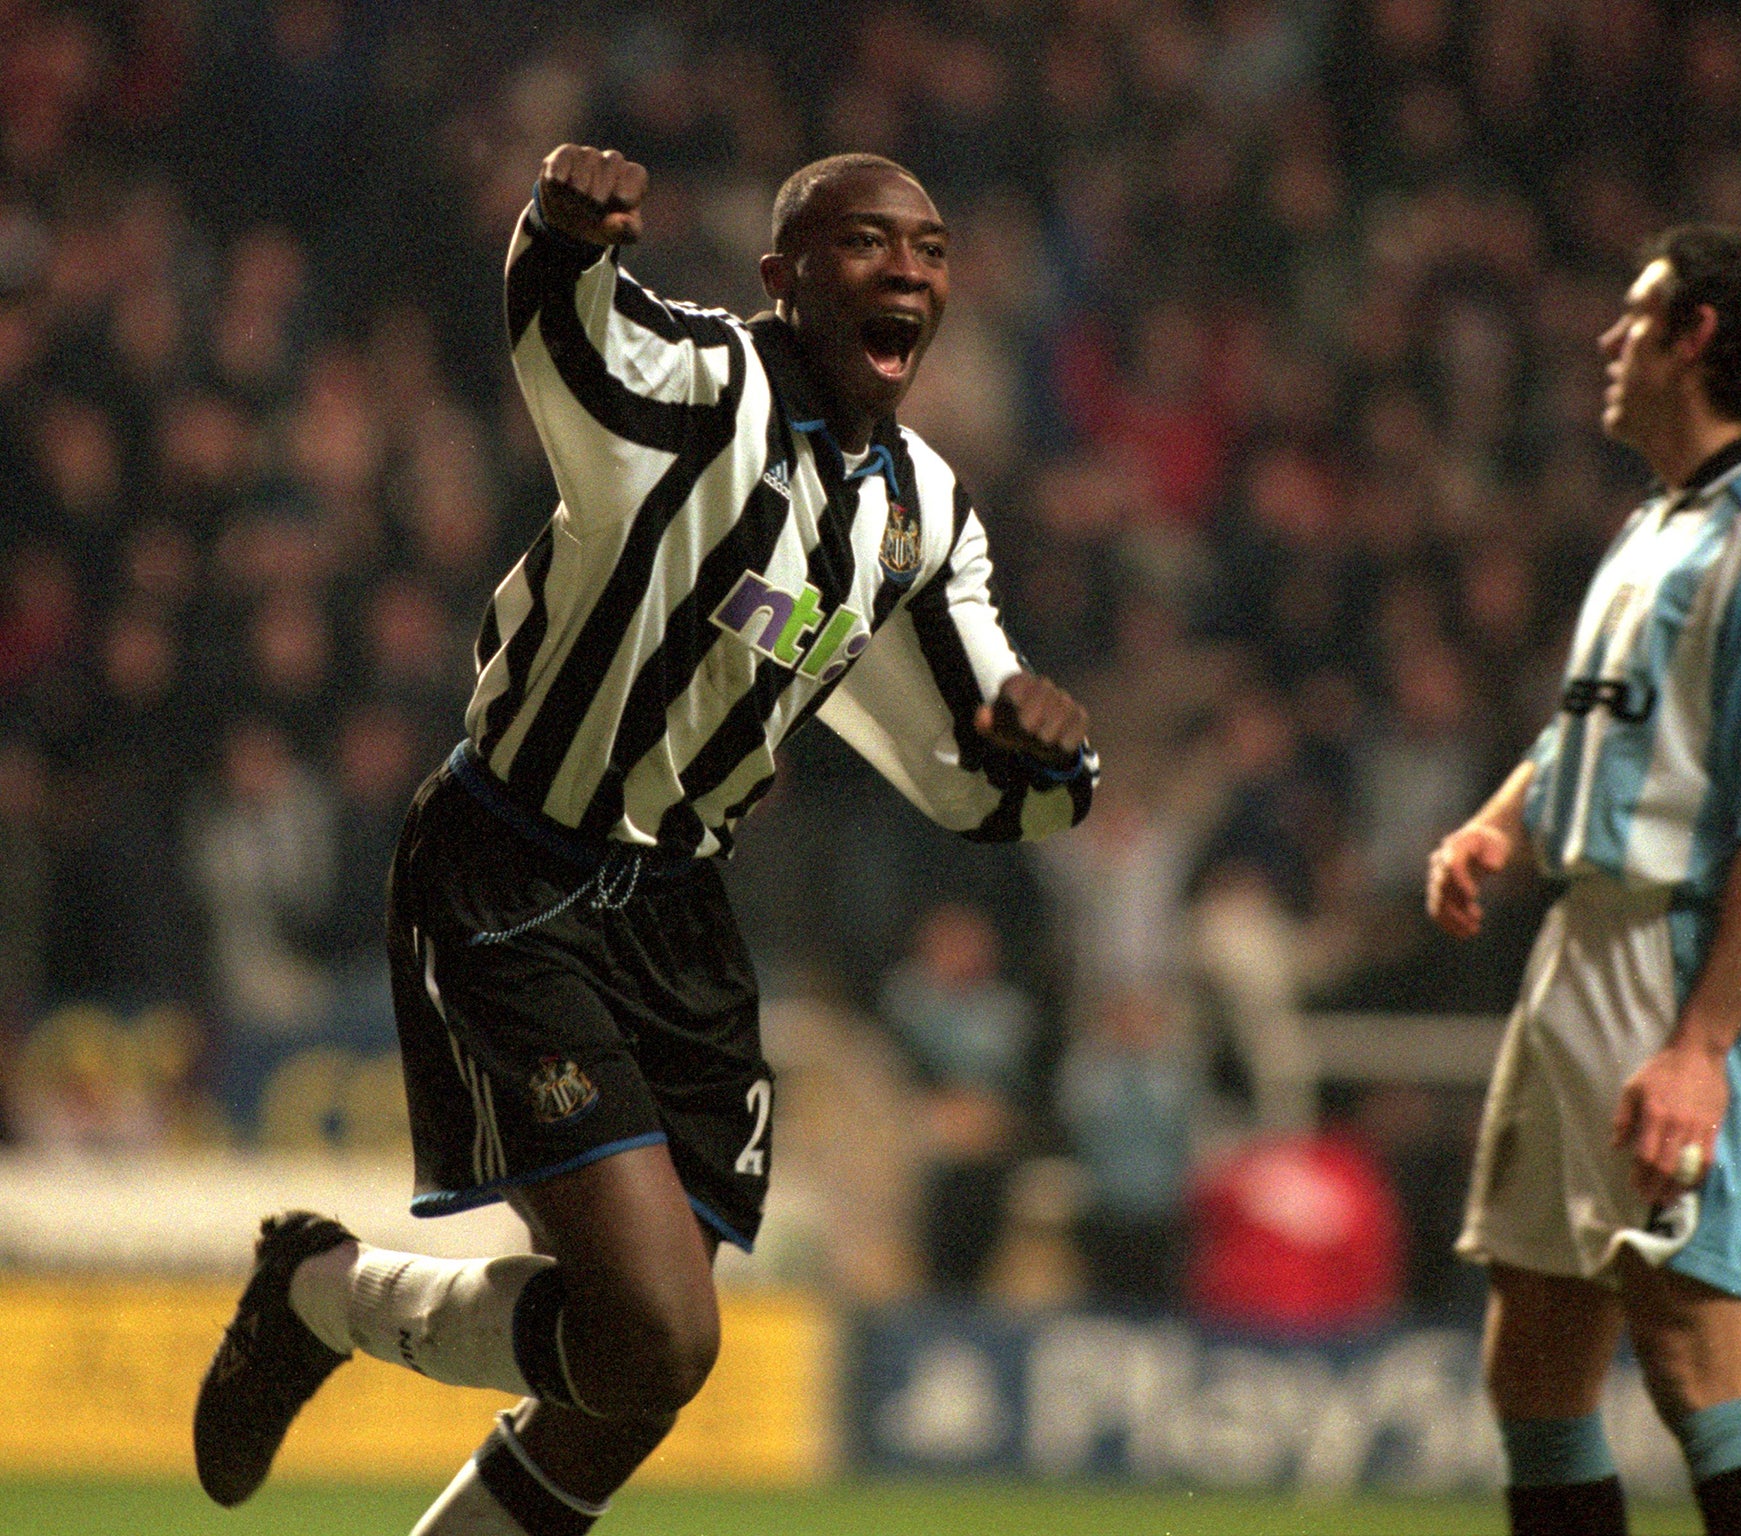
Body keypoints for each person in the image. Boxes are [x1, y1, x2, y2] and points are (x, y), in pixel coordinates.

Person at [193, 145, 1095, 1536]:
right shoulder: (697, 388)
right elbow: (568, 339)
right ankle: (320, 1295)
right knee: (659, 1338)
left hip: (677, 911)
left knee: (631, 1384)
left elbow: (973, 773)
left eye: (931, 248)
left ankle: (320, 1306)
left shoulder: (919, 511)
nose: (909, 269)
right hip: (513, 870)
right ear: (783, 277)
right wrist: (561, 236)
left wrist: (1049, 752)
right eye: (867, 243)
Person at [1425, 226, 1741, 1536]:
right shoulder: (1661, 524)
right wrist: (1499, 825)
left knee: (1695, 1355)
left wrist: (1703, 1045)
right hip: (1585, 945)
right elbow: (1604, 728)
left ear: (1696, 336)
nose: (1606, 338)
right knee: (1532, 1360)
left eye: (1634, 314)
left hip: (1689, 964)